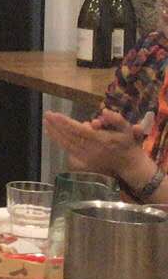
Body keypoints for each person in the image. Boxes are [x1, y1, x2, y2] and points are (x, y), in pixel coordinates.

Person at [45, 29, 168, 204]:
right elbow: (99, 170)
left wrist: (134, 165)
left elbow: (129, 163)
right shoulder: (152, 50)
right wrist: (94, 164)